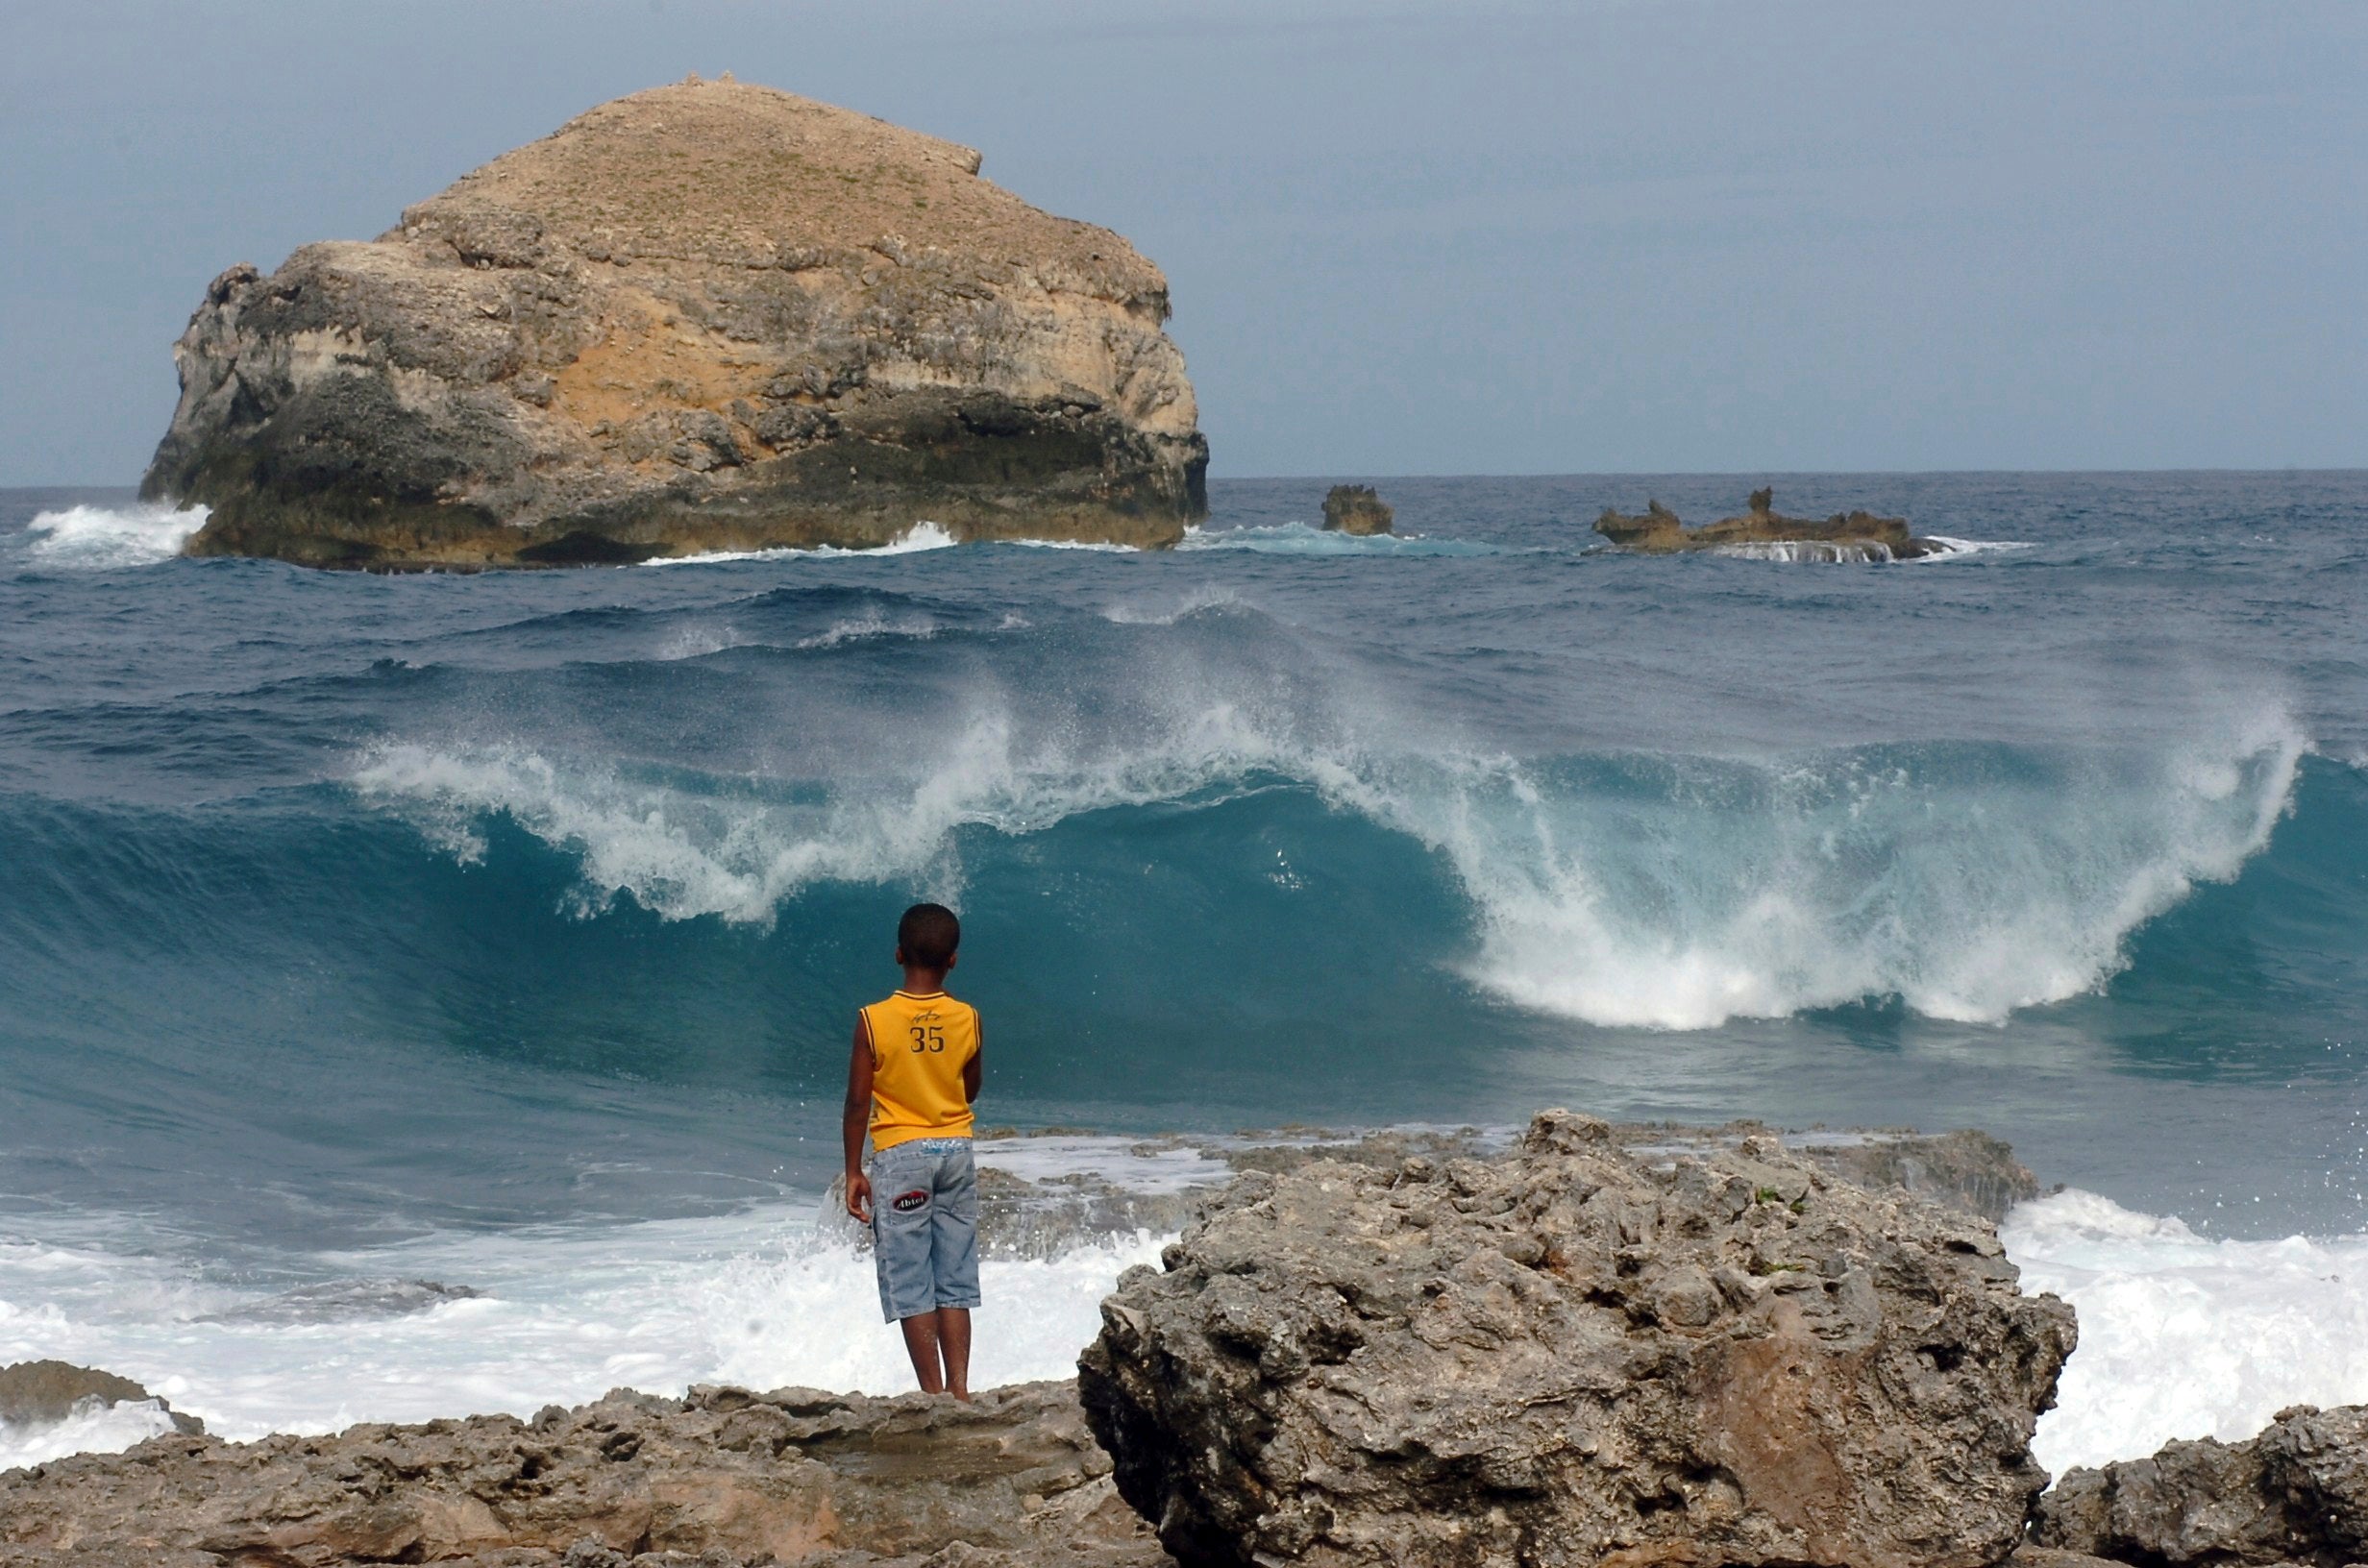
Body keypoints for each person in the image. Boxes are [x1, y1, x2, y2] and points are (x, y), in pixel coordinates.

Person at [842, 901, 983, 1399]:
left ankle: (933, 1394)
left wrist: (853, 1170)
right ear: (953, 961)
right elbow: (970, 1090)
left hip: (901, 1155)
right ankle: (961, 1389)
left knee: (912, 1277)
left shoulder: (874, 1020)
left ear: (898, 954)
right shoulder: (967, 1018)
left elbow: (859, 1101)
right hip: (956, 1153)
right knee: (954, 1273)